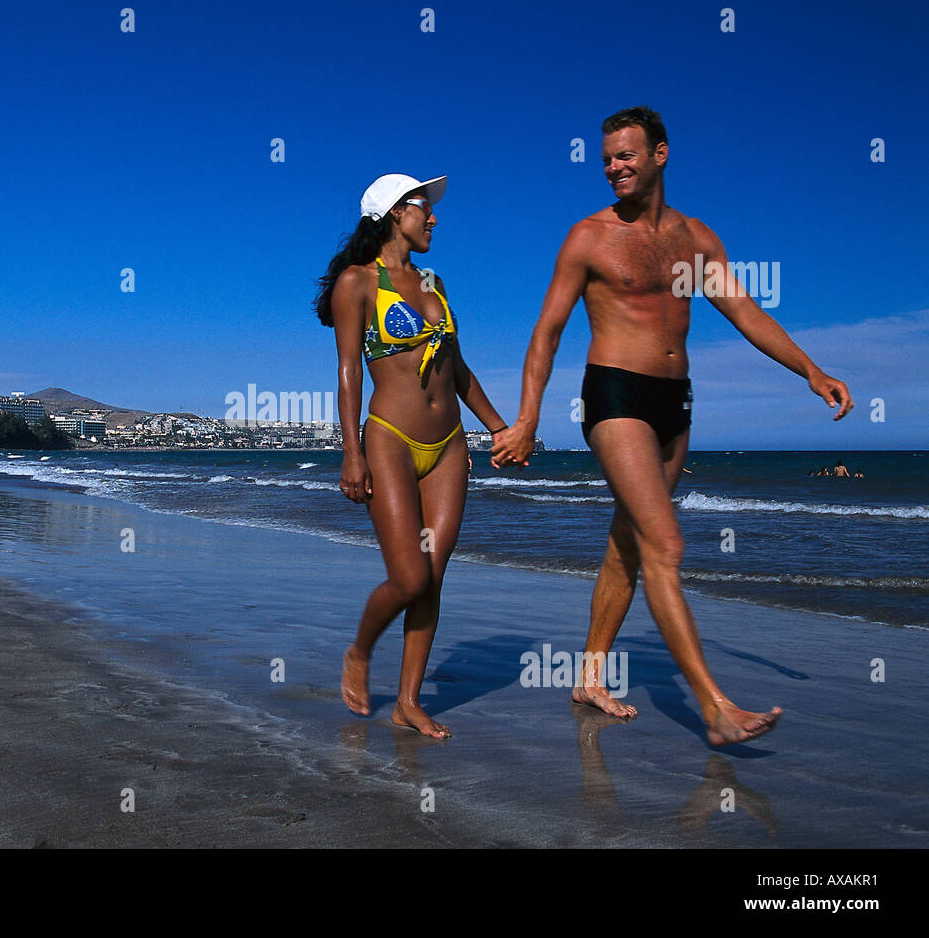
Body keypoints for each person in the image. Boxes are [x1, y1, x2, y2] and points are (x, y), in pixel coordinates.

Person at [492, 107, 853, 746]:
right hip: (614, 395)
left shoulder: (696, 239)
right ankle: (713, 706)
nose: (614, 167)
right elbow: (545, 335)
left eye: (625, 156)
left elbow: (744, 312)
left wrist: (810, 370)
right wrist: (526, 421)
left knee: (628, 545)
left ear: (660, 154)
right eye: (606, 159)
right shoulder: (589, 238)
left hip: (675, 401)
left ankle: (590, 678)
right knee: (667, 546)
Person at [319, 173, 511, 739]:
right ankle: (360, 650)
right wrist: (351, 452)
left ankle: (407, 700)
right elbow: (349, 372)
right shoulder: (356, 283)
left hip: (449, 446)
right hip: (391, 440)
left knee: (433, 576)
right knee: (407, 577)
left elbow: (459, 370)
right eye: (422, 209)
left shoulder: (435, 283)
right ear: (391, 214)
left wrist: (499, 428)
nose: (433, 218)